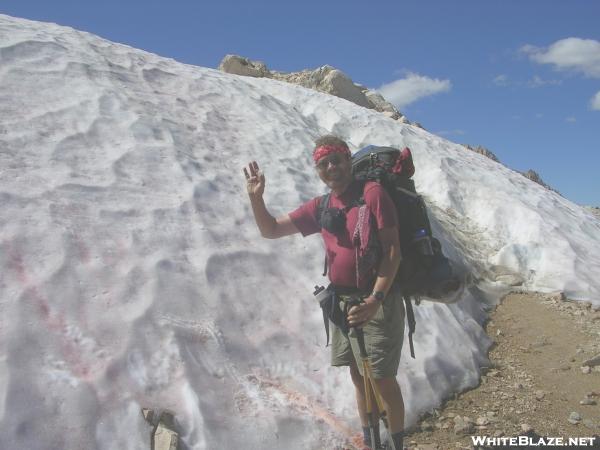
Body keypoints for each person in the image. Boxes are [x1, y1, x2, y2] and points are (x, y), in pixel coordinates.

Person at [243, 135, 406, 450]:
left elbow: (393, 252)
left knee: (383, 379)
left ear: (348, 160)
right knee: (359, 376)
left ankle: (399, 445)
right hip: (342, 303)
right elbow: (271, 230)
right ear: (317, 169)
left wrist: (376, 299)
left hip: (375, 301)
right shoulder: (321, 206)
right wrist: (256, 199)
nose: (332, 167)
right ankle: (373, 443)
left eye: (337, 160)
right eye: (324, 163)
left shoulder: (373, 195)